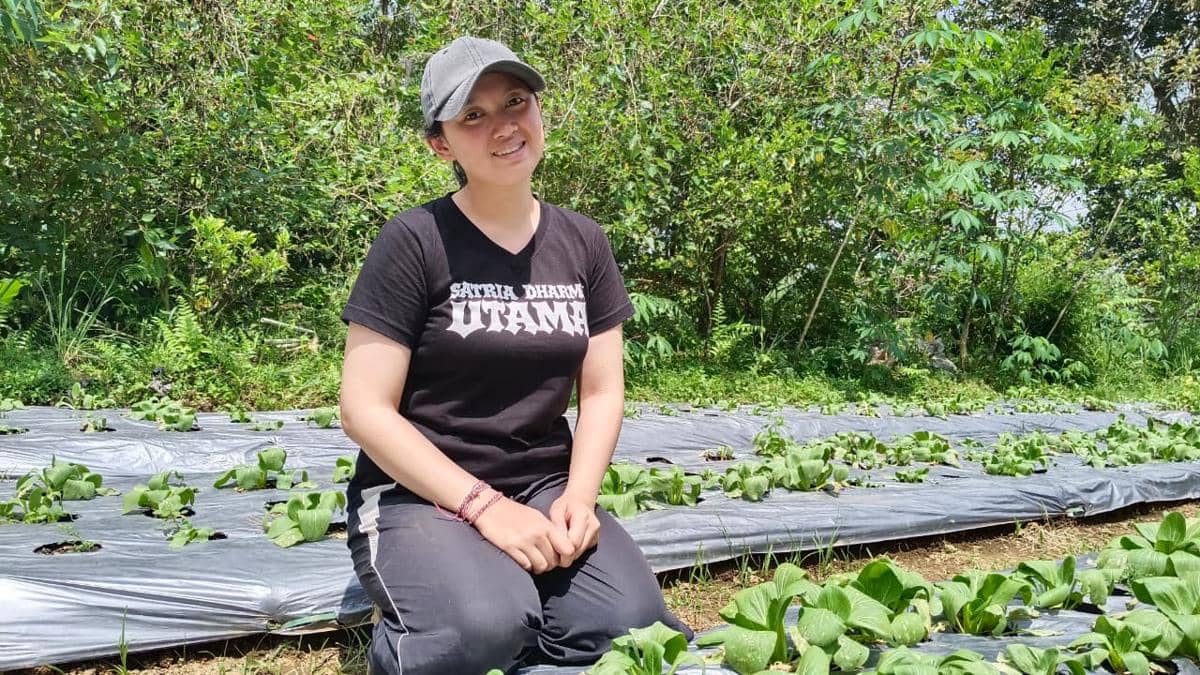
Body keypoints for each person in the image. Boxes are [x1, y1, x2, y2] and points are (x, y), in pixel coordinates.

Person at [338, 36, 692, 675]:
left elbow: (603, 391)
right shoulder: (414, 241)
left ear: (539, 111)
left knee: (630, 627)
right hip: (418, 492)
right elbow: (364, 409)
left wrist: (579, 496)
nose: (503, 126)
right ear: (441, 143)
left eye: (515, 102)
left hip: (542, 485)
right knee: (483, 629)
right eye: (472, 115)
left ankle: (496, 594)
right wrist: (484, 509)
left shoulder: (583, 242)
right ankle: (423, 626)